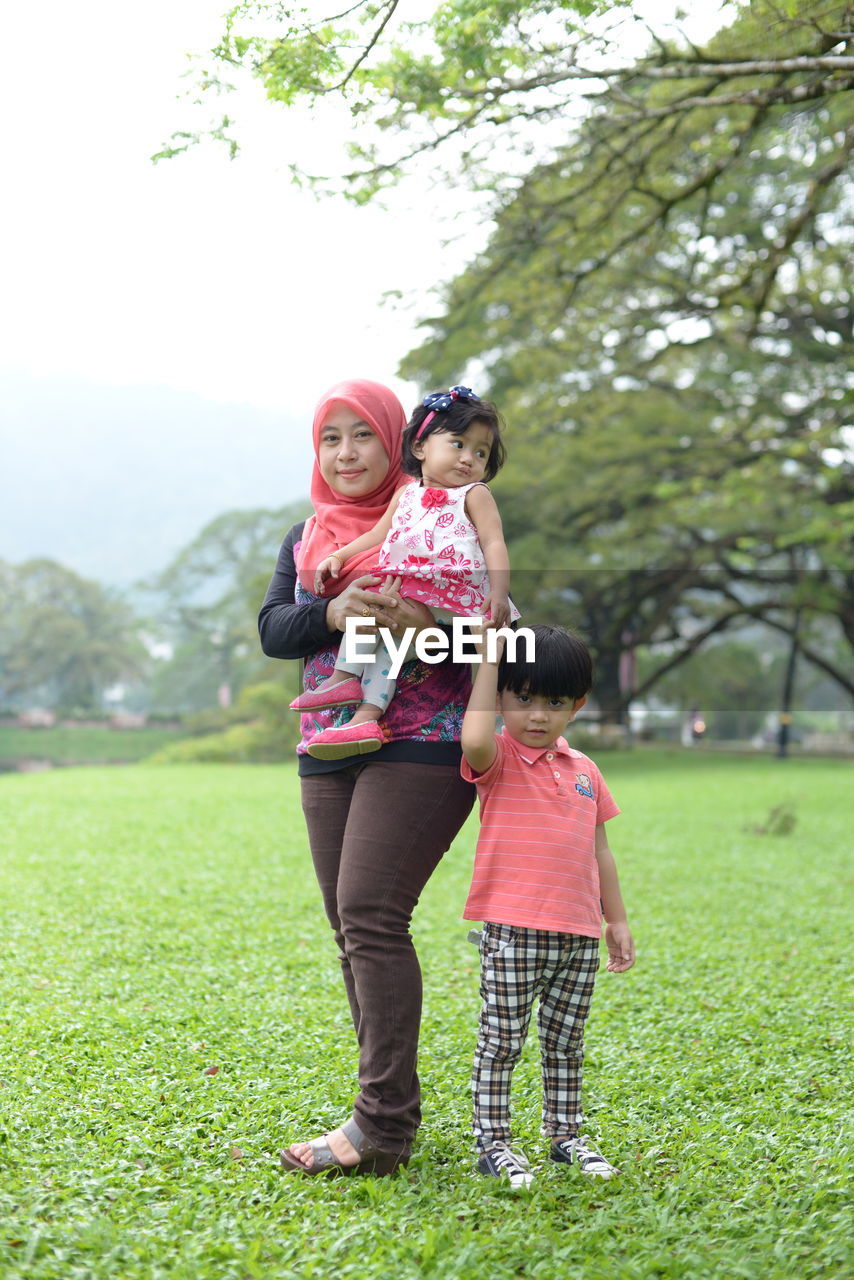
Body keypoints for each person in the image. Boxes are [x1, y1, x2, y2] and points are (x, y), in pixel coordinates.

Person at [258, 378, 476, 1177]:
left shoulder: (441, 515)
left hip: (425, 734)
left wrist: (431, 624)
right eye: (330, 438)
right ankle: (382, 1108)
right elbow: (276, 631)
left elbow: (499, 626)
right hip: (327, 741)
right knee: (351, 927)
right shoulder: (307, 535)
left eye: (362, 436)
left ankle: (381, 1129)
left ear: (398, 442)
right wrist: (334, 611)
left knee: (369, 913)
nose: (346, 453)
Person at [459, 624, 636, 1189]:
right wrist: (490, 661)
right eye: (523, 698)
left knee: (565, 1043)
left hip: (579, 933)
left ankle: (565, 1136)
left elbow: (599, 851)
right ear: (502, 698)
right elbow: (473, 738)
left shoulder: (586, 771)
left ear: (576, 707)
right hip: (513, 931)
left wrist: (618, 919)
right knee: (503, 1040)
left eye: (554, 703)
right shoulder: (500, 757)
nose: (537, 715)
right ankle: (493, 1143)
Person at [289, 385, 519, 760]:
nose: (469, 459)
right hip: (405, 589)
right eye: (458, 445)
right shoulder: (408, 494)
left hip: (452, 601)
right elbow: (379, 534)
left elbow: (494, 544)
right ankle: (350, 693)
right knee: (376, 624)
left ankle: (356, 701)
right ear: (419, 447)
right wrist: (340, 556)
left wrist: (498, 593)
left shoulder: (474, 495)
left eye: (481, 452)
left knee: (388, 638)